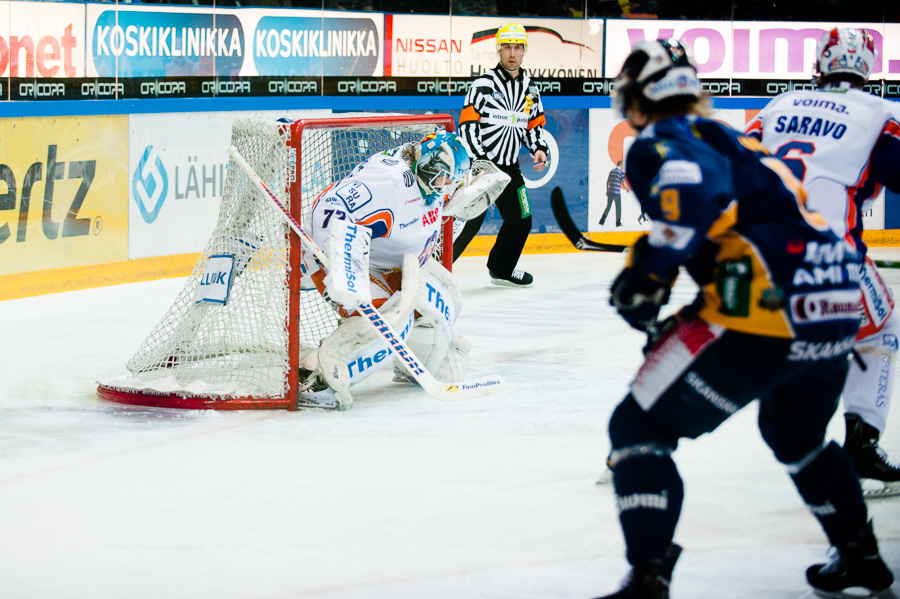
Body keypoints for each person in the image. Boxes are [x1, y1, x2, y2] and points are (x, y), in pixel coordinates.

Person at [596, 39, 894, 598]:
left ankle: (648, 577)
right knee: (796, 436)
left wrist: (646, 275)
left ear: (638, 100)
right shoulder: (736, 139)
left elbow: (694, 195)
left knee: (637, 430)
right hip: (837, 305)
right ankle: (861, 555)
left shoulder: (662, 140)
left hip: (767, 309)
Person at [744, 27, 900, 499]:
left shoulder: (781, 104)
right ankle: (861, 442)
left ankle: (645, 435)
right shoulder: (878, 114)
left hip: (763, 255)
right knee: (883, 327)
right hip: (831, 260)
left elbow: (739, 160)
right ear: (868, 68)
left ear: (820, 64)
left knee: (734, 355)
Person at [296, 131, 474, 410]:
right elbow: (330, 208)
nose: (448, 187)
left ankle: (411, 365)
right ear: (428, 166)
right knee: (390, 324)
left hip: (389, 260)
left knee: (447, 295)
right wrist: (345, 262)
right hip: (339, 254)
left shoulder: (429, 178)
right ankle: (313, 377)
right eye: (445, 179)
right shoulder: (389, 182)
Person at [452, 22, 550, 288]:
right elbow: (468, 127)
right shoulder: (483, 85)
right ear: (498, 49)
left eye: (517, 47)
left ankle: (501, 268)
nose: (512, 53)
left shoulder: (530, 89)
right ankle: (435, 273)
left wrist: (539, 149)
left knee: (522, 220)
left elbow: (533, 126)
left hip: (510, 169)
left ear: (524, 51)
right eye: (506, 47)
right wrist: (481, 163)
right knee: (468, 223)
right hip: (481, 168)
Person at [600, 160, 628, 227]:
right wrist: (627, 189)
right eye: (622, 165)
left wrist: (607, 190)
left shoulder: (612, 171)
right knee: (618, 208)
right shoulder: (621, 172)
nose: (623, 166)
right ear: (620, 164)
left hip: (610, 192)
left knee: (608, 207)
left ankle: (602, 221)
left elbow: (607, 181)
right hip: (616, 193)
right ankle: (618, 223)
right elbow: (624, 183)